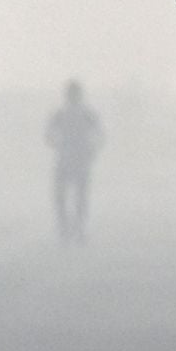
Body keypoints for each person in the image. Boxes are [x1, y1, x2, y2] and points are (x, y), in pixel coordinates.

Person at [46, 81, 105, 244]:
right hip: (80, 160)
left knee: (63, 195)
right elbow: (101, 135)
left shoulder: (61, 113)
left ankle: (67, 229)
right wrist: (93, 150)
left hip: (66, 159)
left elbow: (48, 135)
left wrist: (57, 145)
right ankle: (77, 229)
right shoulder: (86, 113)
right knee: (79, 195)